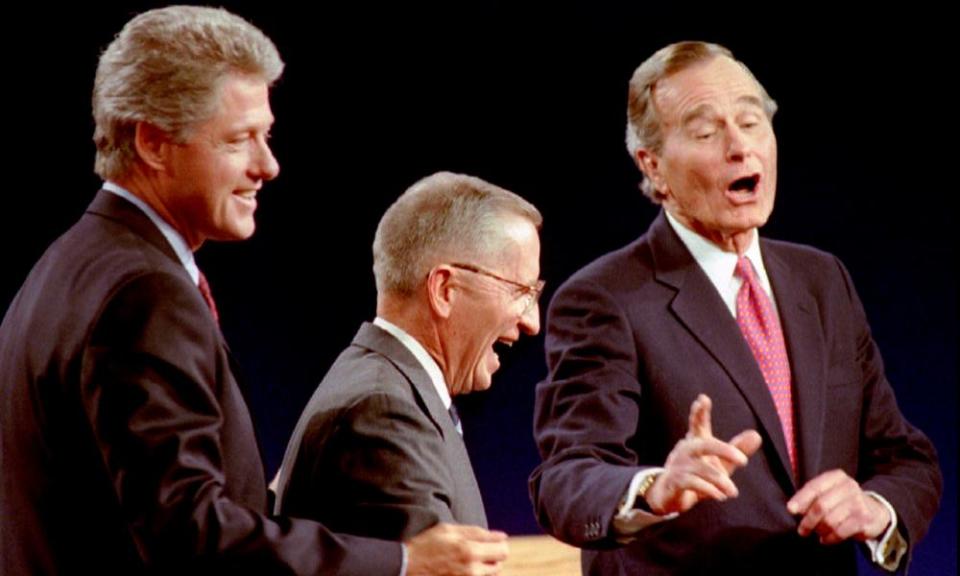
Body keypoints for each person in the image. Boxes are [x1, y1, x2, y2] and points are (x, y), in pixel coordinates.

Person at [0, 7, 506, 575]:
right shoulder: (144, 295)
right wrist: (405, 559)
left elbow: (129, 505)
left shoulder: (67, 265)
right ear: (153, 142)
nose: (268, 165)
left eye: (266, 136)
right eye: (240, 139)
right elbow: (186, 535)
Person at [528, 41, 941, 575]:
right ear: (653, 168)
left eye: (751, 122)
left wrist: (874, 509)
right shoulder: (606, 298)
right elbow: (566, 478)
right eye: (705, 132)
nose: (740, 147)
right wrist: (655, 488)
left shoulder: (823, 281)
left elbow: (905, 459)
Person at [274, 172, 543, 541]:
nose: (532, 321)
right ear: (445, 289)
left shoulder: (392, 390)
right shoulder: (384, 412)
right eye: (521, 291)